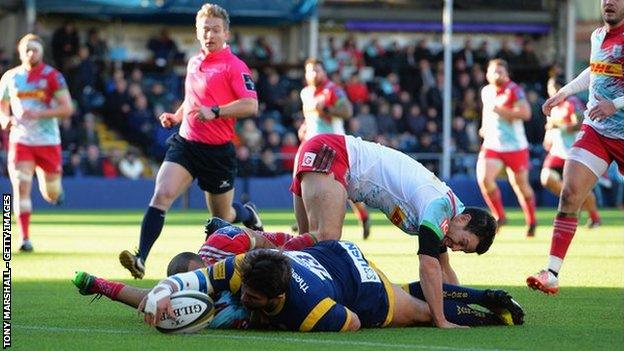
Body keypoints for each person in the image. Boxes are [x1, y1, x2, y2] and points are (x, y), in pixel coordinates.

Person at [290, 133, 497, 328]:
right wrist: (441, 319)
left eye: (463, 250)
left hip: (326, 151)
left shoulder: (447, 214)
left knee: (306, 253)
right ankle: (262, 249)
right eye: (463, 242)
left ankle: (277, 278)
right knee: (326, 240)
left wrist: (464, 307)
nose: (457, 248)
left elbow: (444, 270)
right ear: (463, 218)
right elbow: (429, 266)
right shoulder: (440, 207)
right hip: (334, 153)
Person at [76, 242, 523, 331]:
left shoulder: (308, 311)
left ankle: (488, 308)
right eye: (244, 291)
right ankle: (481, 293)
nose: (244, 298)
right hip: (328, 254)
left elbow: (348, 321)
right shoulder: (239, 269)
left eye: (253, 300)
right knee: (408, 289)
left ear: (276, 299)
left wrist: (262, 323)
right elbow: (180, 283)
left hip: (355, 287)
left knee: (422, 314)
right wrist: (149, 293)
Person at [119, 3, 262, 279]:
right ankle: (140, 258)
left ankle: (247, 214)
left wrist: (218, 111)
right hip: (186, 143)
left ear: (226, 33)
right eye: (205, 29)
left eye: (216, 30)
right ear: (197, 33)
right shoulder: (193, 61)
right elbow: (193, 99)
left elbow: (250, 105)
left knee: (223, 218)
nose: (210, 35)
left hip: (218, 153)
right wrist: (176, 115)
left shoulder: (235, 66)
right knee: (161, 194)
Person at [527, 0, 624, 295]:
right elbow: (594, 72)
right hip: (596, 130)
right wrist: (563, 93)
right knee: (569, 193)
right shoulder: (597, 36)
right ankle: (552, 273)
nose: (609, 2)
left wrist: (615, 104)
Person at [0, 34, 74, 252]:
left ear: (42, 52)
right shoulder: (10, 78)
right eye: (27, 49)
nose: (31, 53)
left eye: (36, 49)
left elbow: (67, 108)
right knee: (21, 185)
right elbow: (3, 106)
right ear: (20, 51)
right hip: (21, 140)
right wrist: (5, 120)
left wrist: (39, 114)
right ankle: (24, 239)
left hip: (48, 140)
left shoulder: (53, 77)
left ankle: (55, 192)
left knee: (50, 193)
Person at [298, 58, 371, 239]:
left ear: (324, 72)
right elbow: (310, 117)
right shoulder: (305, 93)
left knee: (343, 189)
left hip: (333, 146)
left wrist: (327, 109)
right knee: (306, 185)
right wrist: (305, 126)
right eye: (311, 71)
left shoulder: (332, 90)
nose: (314, 74)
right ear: (306, 74)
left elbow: (347, 111)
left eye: (318, 70)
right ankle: (308, 223)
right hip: (311, 145)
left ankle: (362, 215)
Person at [477, 58, 536, 236]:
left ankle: (531, 221)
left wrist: (502, 111)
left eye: (500, 72)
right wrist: (484, 127)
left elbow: (526, 113)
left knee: (521, 186)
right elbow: (487, 112)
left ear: (506, 74)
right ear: (487, 74)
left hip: (515, 146)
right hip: (493, 144)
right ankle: (500, 216)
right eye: (493, 71)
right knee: (484, 179)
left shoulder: (514, 91)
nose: (496, 75)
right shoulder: (486, 91)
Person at [540, 77, 601, 228]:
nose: (551, 91)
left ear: (561, 87)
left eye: (554, 87)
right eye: (549, 88)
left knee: (578, 188)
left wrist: (559, 126)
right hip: (557, 152)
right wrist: (548, 138)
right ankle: (575, 199)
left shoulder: (572, 102)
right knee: (546, 178)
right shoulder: (553, 107)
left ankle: (594, 217)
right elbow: (550, 127)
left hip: (574, 151)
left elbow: (579, 123)